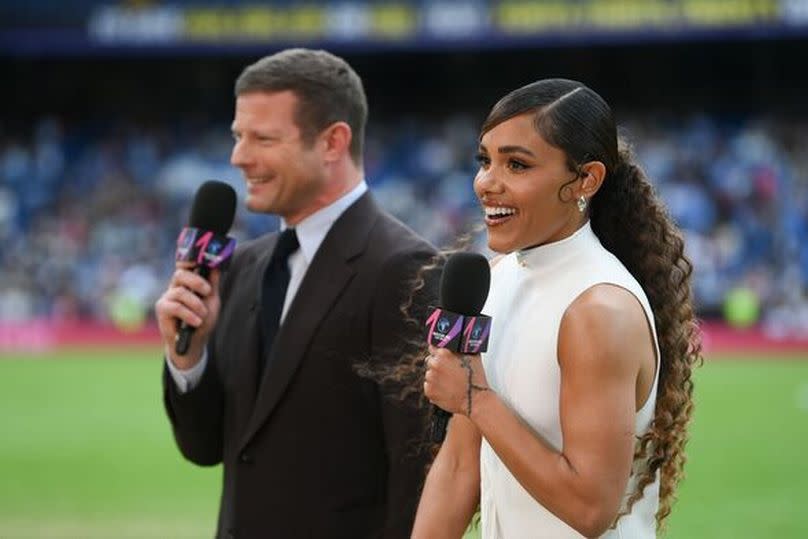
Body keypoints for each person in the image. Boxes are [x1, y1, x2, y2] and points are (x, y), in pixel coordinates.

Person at [155, 48, 436, 539]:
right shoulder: (241, 266)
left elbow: (419, 475)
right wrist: (189, 360)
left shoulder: (404, 269)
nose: (238, 156)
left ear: (332, 142)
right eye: (238, 136)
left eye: (262, 138)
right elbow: (206, 448)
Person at [413, 79, 702, 538]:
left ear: (585, 179)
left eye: (517, 164)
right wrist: (471, 402)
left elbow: (589, 509)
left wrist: (475, 399)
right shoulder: (493, 280)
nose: (487, 183)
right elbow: (458, 466)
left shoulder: (600, 309)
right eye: (485, 161)